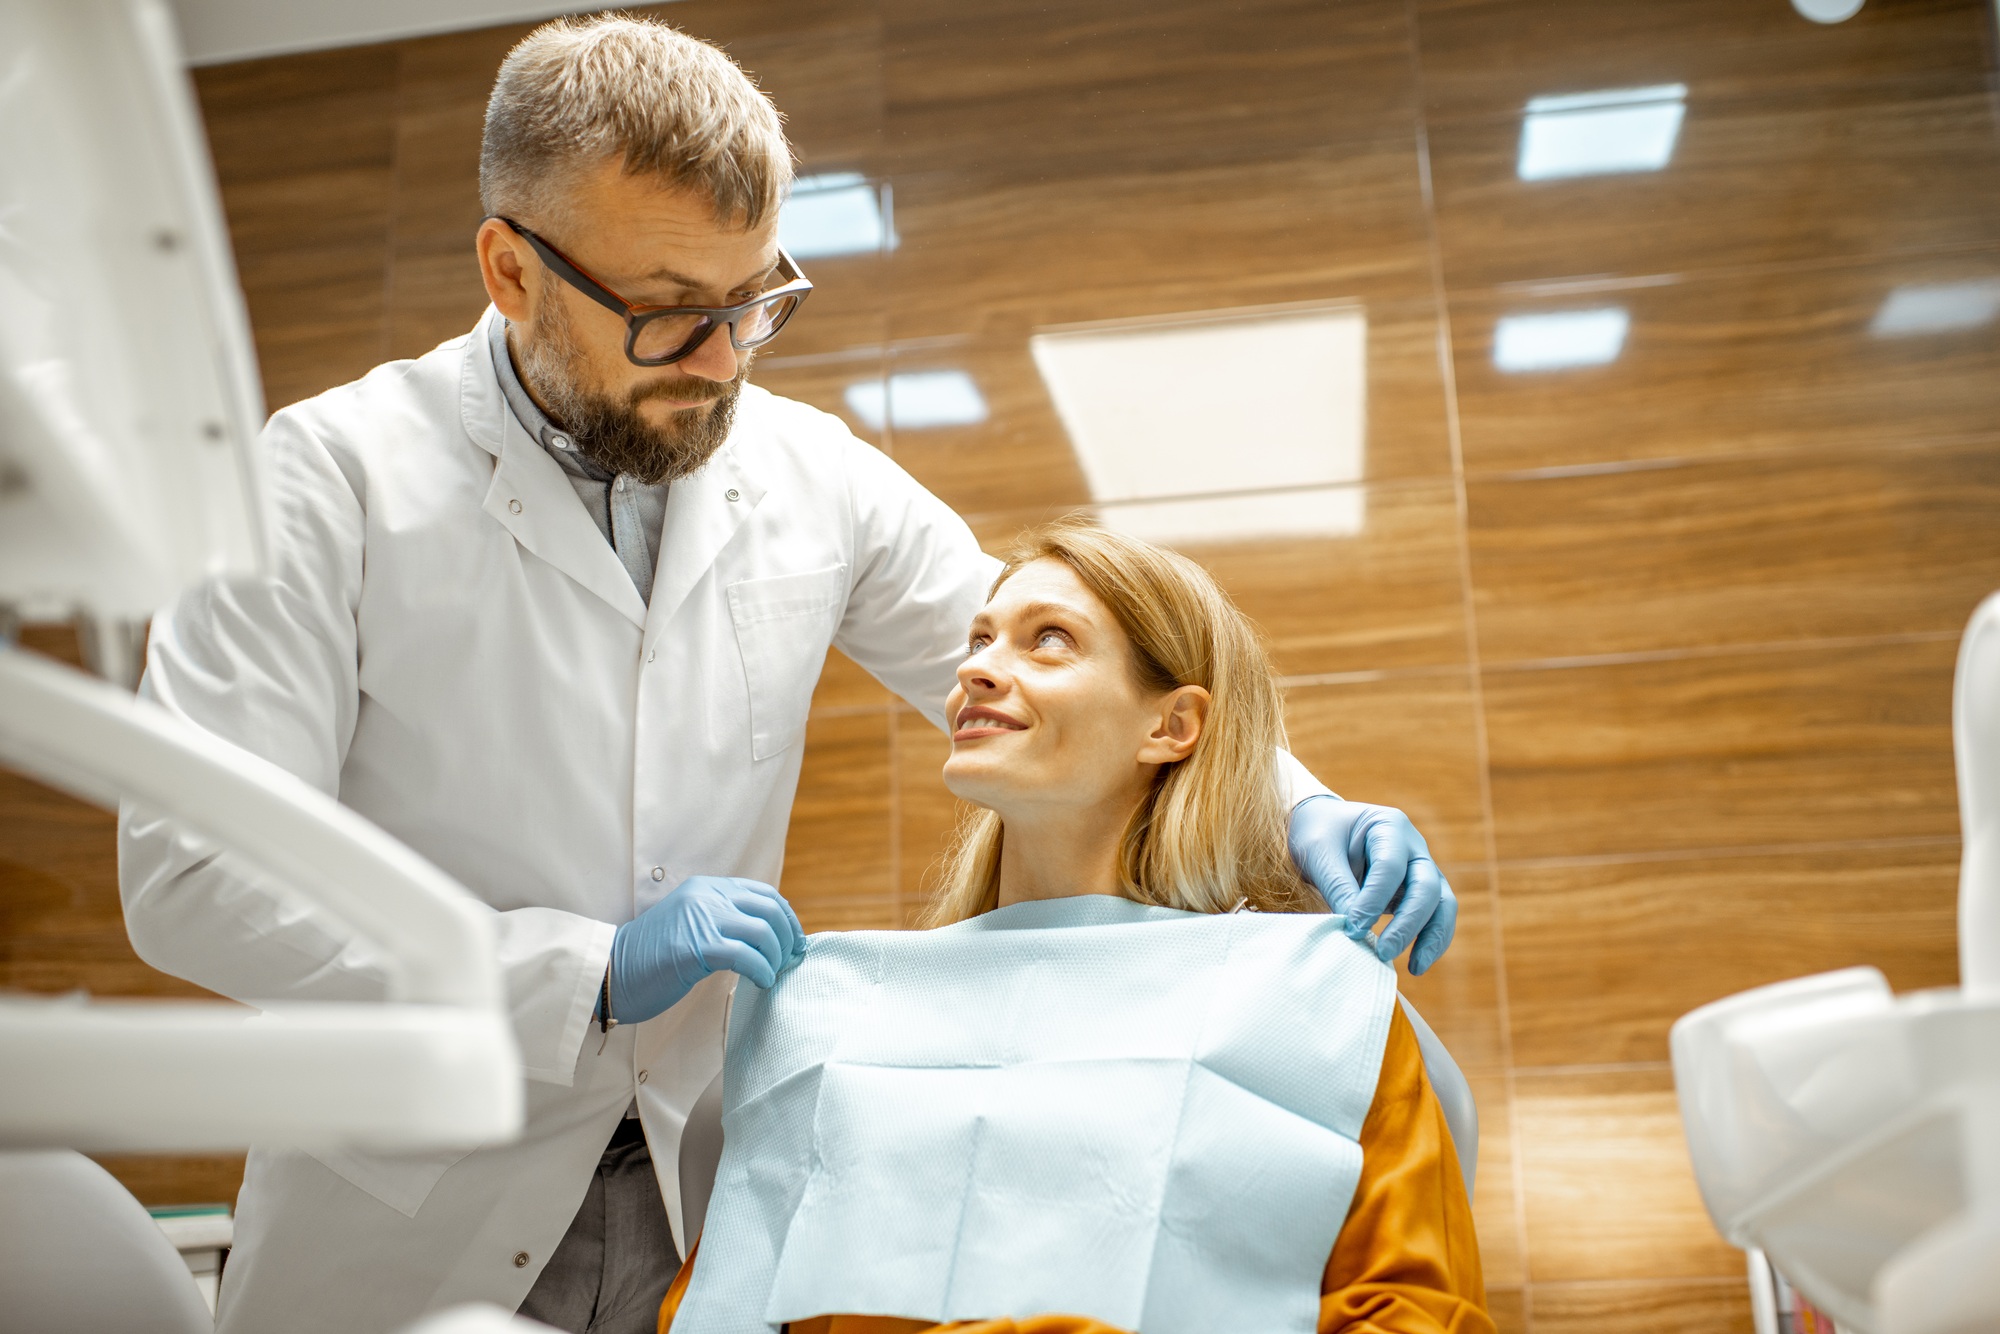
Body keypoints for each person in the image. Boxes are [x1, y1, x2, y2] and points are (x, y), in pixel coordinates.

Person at [115, 16, 1455, 1334]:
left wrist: (1297, 806)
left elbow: (1035, 653)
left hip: (698, 1206)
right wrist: (581, 970)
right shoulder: (323, 480)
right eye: (666, 315)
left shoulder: (805, 470)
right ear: (511, 271)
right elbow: (189, 874)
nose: (722, 360)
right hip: (406, 1205)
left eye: (754, 301)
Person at [660, 521, 1490, 1334]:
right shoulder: (827, 1017)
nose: (978, 668)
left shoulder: (1317, 1011)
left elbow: (1413, 1312)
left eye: (1048, 640)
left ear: (1170, 726)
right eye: (978, 639)